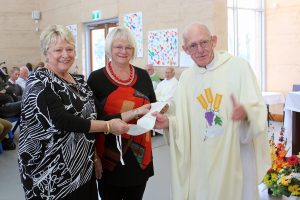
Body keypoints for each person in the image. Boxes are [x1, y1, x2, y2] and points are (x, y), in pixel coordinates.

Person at [153, 23, 270, 200]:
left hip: (234, 154)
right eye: (193, 45)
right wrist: (169, 122)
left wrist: (246, 113)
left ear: (214, 41)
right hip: (201, 160)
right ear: (185, 49)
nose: (200, 50)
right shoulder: (186, 79)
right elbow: (182, 118)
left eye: (204, 42)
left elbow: (258, 108)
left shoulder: (239, 67)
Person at [18, 24, 129, 200]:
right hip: (50, 175)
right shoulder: (39, 82)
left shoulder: (80, 82)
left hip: (82, 168)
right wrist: (109, 126)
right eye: (58, 50)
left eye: (69, 49)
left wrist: (137, 112)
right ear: (46, 53)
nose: (65, 54)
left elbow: (98, 116)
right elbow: (63, 121)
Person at [87, 26, 156, 200]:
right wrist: (95, 158)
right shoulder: (96, 79)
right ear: (110, 49)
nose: (123, 51)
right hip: (109, 158)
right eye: (118, 47)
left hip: (140, 155)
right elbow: (92, 121)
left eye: (128, 47)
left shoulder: (143, 76)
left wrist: (161, 113)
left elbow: (153, 107)